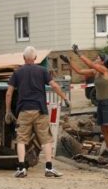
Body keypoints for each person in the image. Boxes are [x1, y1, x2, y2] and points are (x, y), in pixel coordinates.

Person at [5, 46, 70, 178]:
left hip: (24, 110)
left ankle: (22, 168)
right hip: (40, 110)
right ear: (35, 58)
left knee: (21, 139)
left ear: (23, 58)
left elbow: (9, 93)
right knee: (46, 139)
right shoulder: (42, 71)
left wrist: (8, 110)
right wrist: (65, 98)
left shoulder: (17, 73)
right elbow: (54, 85)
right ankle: (49, 168)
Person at [62, 47, 108, 164]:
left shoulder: (104, 70)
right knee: (103, 128)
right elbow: (79, 71)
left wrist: (79, 53)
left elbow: (91, 64)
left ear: (103, 62)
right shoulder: (95, 72)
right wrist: (69, 62)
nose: (96, 59)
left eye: (98, 58)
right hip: (101, 103)